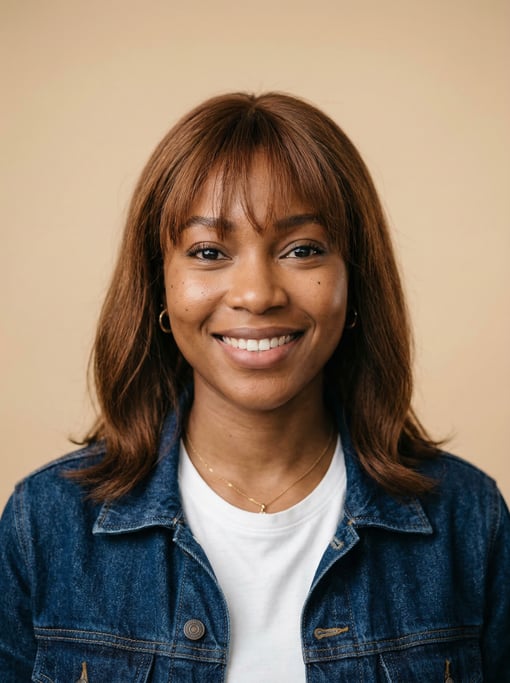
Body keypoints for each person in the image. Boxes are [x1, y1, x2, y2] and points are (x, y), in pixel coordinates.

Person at [0, 92, 509, 683]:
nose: (257, 293)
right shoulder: (45, 525)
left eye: (302, 250)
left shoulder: (468, 521)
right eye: (209, 251)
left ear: (354, 281)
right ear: (159, 285)